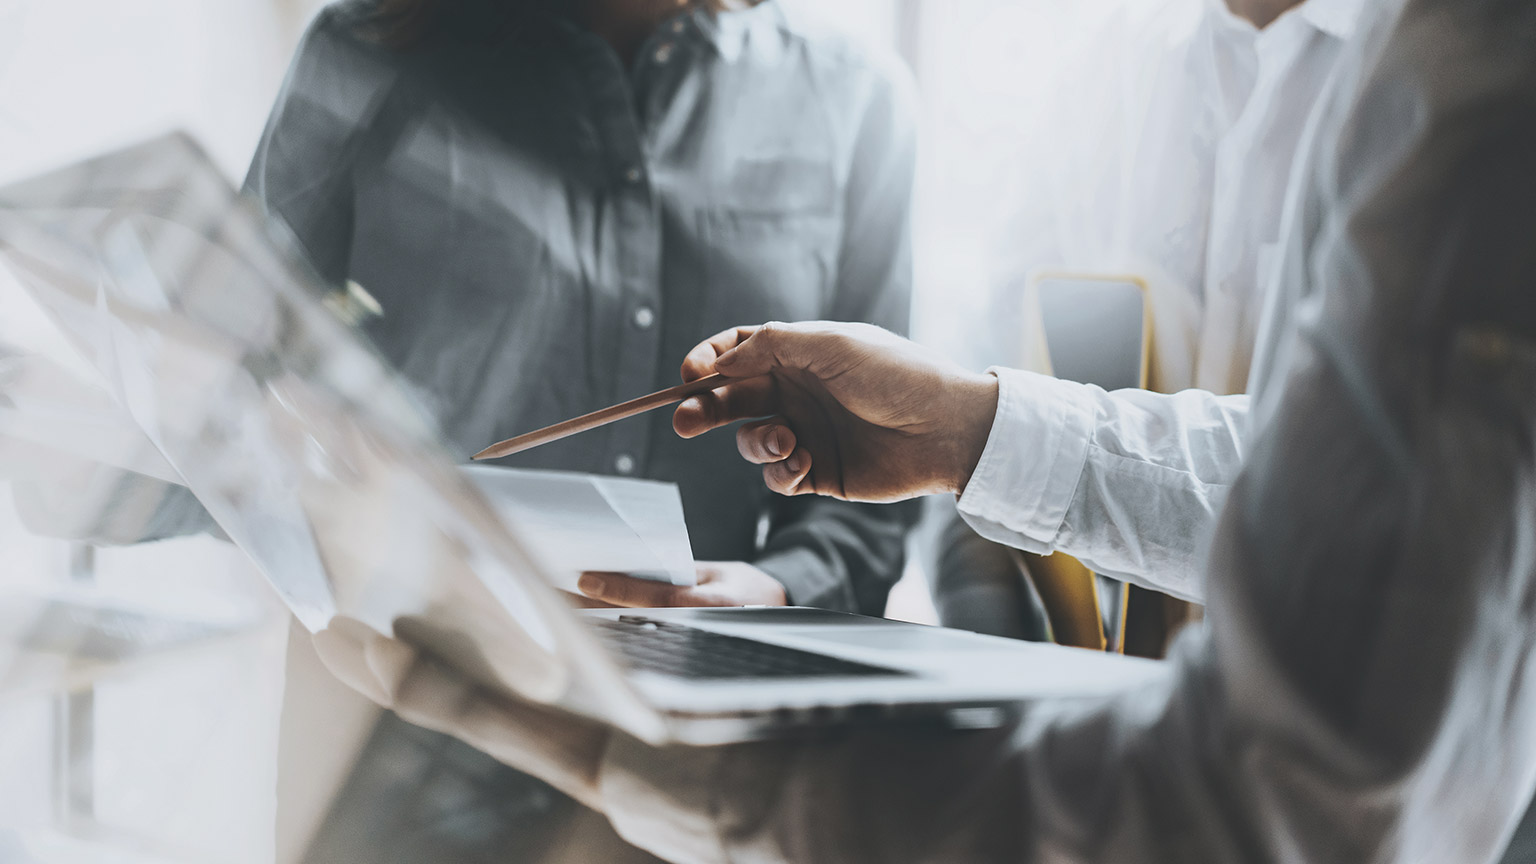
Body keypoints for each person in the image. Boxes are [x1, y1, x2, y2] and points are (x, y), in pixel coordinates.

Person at [312, 0, 1536, 859]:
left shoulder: (1471, 78)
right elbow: (1322, 475)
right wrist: (969, 428)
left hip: (975, 797)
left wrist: (645, 750)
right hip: (1009, 786)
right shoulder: (1108, 87)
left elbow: (1276, 816)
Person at [246, 0, 918, 859]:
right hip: (389, 727)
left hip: (678, 762)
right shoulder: (370, 45)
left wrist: (781, 589)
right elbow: (238, 378)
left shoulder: (855, 96)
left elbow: (872, 487)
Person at [932, 0, 1366, 644]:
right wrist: (982, 625)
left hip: (1330, 712)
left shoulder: (1454, 82)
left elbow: (1362, 474)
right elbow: (994, 360)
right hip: (1103, 706)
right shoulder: (1098, 71)